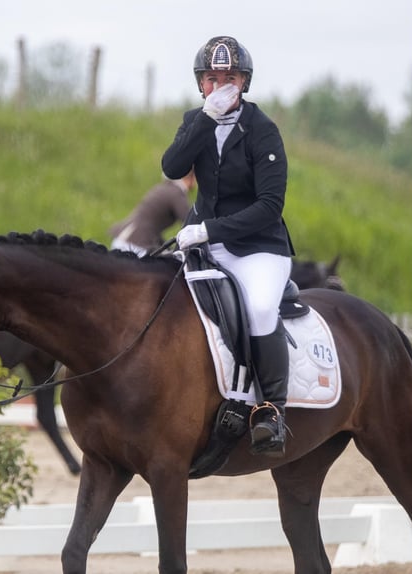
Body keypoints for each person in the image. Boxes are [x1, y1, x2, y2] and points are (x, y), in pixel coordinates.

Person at [161, 36, 295, 457]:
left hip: (259, 247)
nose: (221, 85)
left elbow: (269, 207)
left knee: (257, 309)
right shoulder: (194, 120)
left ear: (244, 82)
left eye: (230, 78)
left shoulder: (263, 130)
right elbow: (172, 167)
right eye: (212, 78)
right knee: (163, 298)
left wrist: (210, 230)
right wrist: (204, 119)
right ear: (201, 84)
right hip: (205, 243)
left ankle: (272, 409)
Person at [109, 169, 196, 256]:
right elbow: (190, 222)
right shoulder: (176, 193)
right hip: (135, 245)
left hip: (124, 240)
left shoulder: (164, 188)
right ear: (191, 177)